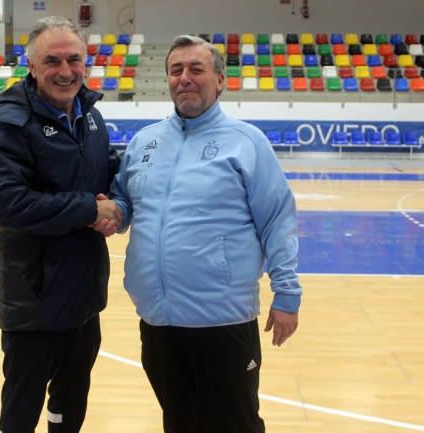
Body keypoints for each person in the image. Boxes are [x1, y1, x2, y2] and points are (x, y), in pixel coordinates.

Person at [107, 35, 303, 433]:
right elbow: (124, 202)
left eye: (196, 69)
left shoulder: (247, 142)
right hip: (158, 321)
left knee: (236, 424)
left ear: (220, 80)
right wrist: (113, 212)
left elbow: (277, 220)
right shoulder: (144, 142)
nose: (185, 78)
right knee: (179, 422)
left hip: (223, 320)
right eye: (175, 70)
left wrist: (287, 292)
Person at [0, 16, 120, 433]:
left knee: (70, 403)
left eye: (74, 59)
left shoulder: (91, 116)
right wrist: (89, 210)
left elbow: (104, 173)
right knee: (22, 411)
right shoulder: (7, 122)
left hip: (84, 293)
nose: (65, 70)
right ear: (32, 66)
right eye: (52, 61)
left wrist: (120, 202)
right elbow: (7, 205)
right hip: (33, 300)